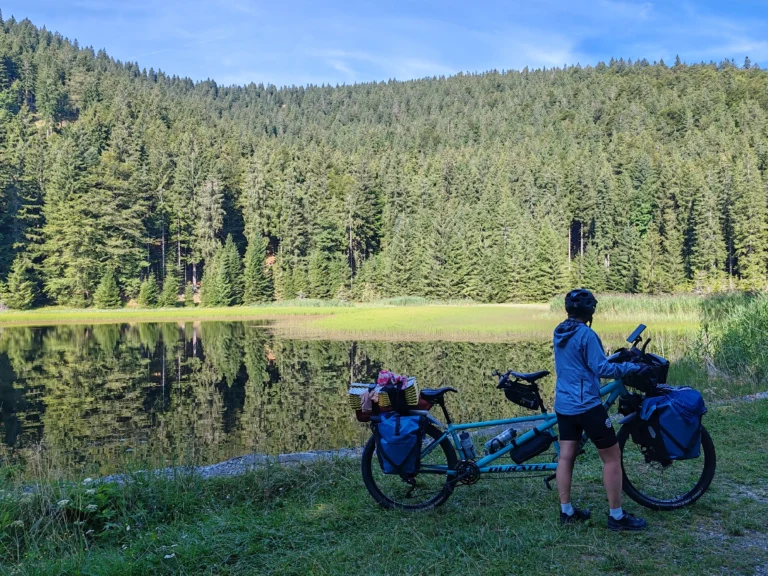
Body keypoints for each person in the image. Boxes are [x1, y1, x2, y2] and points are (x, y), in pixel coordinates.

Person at [553, 288, 647, 531]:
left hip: (564, 405)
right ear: (590, 311)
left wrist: (609, 360)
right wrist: (628, 368)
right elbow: (601, 369)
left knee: (566, 457)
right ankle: (616, 516)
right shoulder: (587, 334)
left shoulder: (559, 331)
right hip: (586, 406)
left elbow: (580, 363)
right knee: (612, 457)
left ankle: (566, 511)